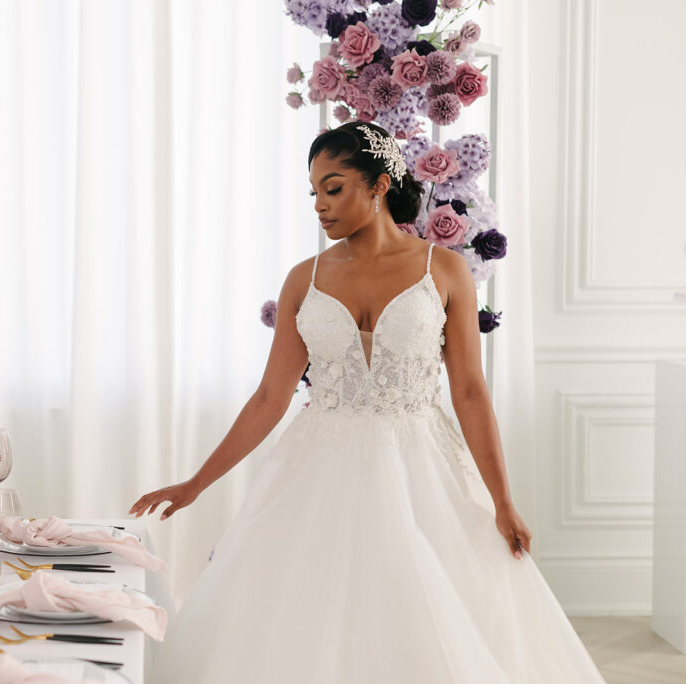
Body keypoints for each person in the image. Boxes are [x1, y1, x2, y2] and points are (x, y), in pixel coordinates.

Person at [130, 121, 605, 682]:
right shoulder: (303, 279)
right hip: (316, 471)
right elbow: (268, 398)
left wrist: (502, 501)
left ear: (380, 185)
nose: (320, 206)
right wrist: (195, 483)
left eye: (333, 188)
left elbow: (471, 391)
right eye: (313, 192)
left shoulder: (444, 268)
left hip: (421, 469)